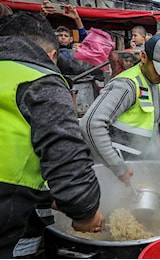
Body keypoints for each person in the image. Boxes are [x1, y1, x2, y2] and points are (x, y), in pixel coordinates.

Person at [0, 11, 104, 257]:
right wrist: (85, 212)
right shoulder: (39, 78)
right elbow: (66, 154)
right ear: (52, 55)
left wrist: (48, 198)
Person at [79, 33, 160, 185]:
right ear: (144, 57)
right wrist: (117, 166)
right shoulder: (126, 85)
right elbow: (90, 124)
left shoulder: (158, 81)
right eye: (159, 69)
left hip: (147, 160)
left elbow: (155, 104)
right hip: (124, 166)